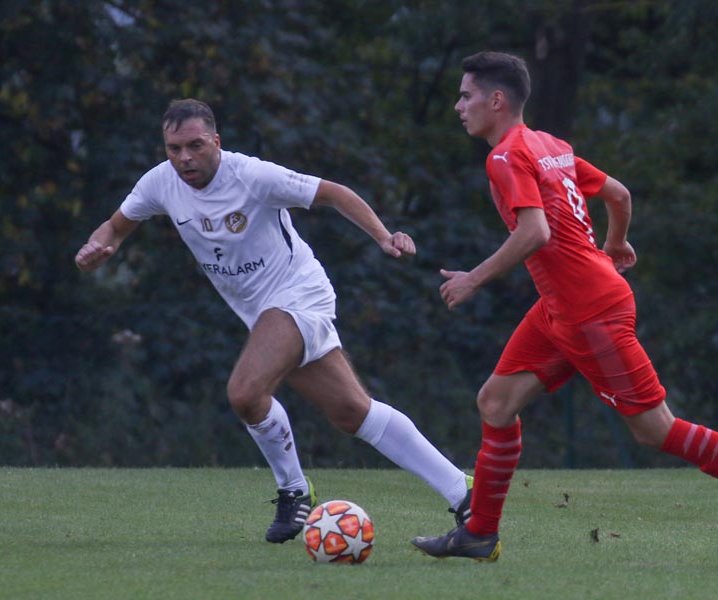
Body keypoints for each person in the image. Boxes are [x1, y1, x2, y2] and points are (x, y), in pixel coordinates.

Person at [411, 51, 718, 562]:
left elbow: (535, 232)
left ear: (496, 101)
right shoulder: (550, 145)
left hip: (590, 314)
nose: (458, 106)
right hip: (563, 307)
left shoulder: (505, 157)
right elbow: (619, 195)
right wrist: (615, 243)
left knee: (655, 429)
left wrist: (474, 278)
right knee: (495, 402)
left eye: (466, 95)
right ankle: (478, 533)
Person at [75, 98, 471, 544]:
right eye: (174, 148)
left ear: (216, 142)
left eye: (195, 145)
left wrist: (383, 237)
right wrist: (97, 247)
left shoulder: (252, 175)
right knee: (351, 412)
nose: (184, 158)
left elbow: (334, 193)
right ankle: (463, 491)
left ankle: (294, 490)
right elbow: (114, 226)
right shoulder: (160, 183)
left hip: (299, 295)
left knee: (245, 391)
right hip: (263, 313)